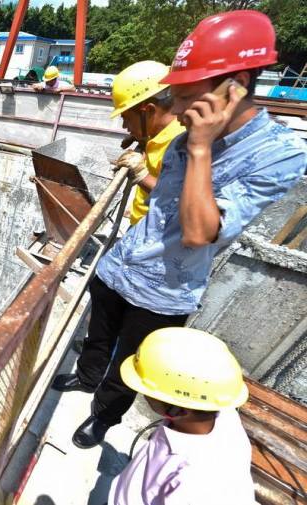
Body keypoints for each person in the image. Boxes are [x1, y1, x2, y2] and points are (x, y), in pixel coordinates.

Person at [52, 10, 306, 449]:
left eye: (185, 96)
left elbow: (197, 233)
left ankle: (103, 417)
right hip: (122, 266)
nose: (177, 110)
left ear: (236, 85)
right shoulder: (181, 135)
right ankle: (87, 376)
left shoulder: (278, 155)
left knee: (133, 362)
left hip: (163, 290)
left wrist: (203, 149)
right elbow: (163, 205)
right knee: (98, 335)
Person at [110, 328, 254, 505]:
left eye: (148, 392)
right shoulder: (217, 410)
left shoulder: (197, 483)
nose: (143, 395)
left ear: (178, 410)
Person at [109, 61, 185, 225]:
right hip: (141, 222)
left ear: (149, 111)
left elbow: (179, 199)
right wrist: (142, 138)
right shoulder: (160, 131)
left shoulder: (180, 144)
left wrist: (141, 174)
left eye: (127, 119)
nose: (125, 127)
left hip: (155, 233)